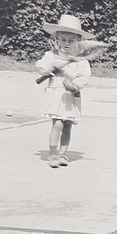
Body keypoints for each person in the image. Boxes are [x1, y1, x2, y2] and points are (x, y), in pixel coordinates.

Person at [35, 14, 95, 169]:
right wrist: (50, 68)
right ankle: (53, 154)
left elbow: (84, 76)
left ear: (78, 41)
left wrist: (74, 85)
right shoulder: (51, 56)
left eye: (71, 40)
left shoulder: (81, 60)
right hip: (56, 95)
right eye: (63, 40)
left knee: (67, 125)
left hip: (71, 97)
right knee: (57, 124)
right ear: (57, 39)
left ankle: (63, 154)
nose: (67, 43)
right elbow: (40, 67)